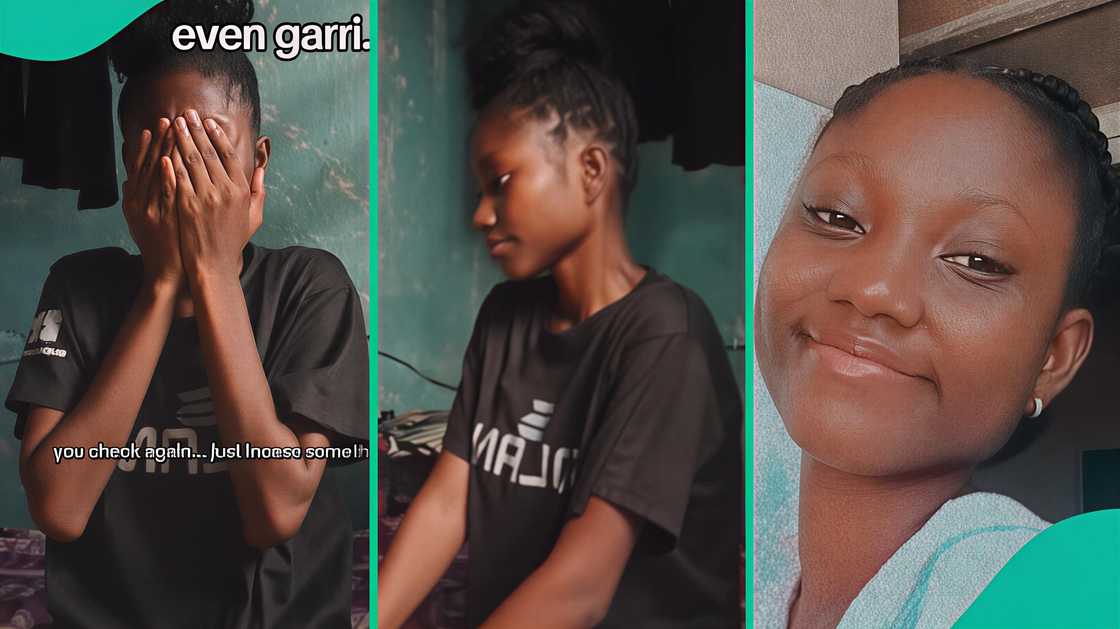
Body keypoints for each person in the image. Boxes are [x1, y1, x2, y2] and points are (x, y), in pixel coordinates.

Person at [377, 1, 743, 628]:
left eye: (501, 182)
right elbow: (446, 502)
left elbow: (581, 587)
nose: (481, 214)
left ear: (591, 170)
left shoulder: (666, 334)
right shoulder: (504, 316)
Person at [5, 2, 368, 627]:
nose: (190, 185)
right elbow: (60, 508)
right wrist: (165, 283)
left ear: (258, 165)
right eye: (168, 157)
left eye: (210, 156)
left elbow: (274, 513)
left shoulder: (311, 287)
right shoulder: (80, 286)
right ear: (129, 168)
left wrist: (212, 271)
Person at [754, 56, 1118, 628]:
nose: (875, 290)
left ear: (1053, 357)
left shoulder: (1071, 593)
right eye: (836, 216)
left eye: (976, 261)